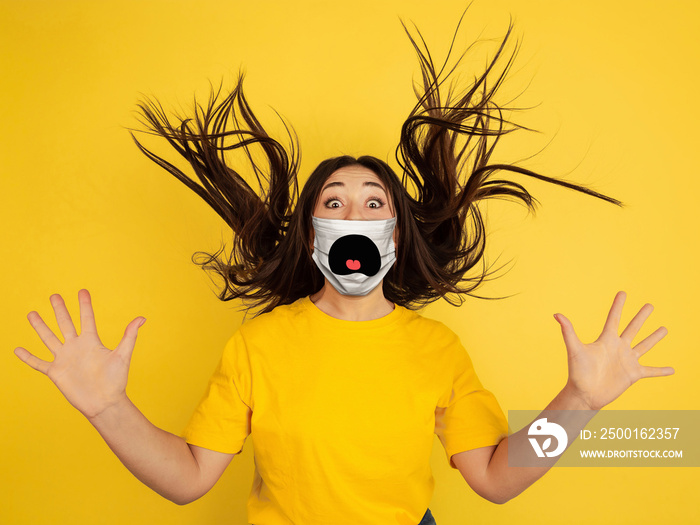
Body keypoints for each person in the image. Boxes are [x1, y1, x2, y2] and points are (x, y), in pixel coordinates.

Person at [14, 9, 673, 525]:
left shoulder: (437, 349)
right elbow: (188, 480)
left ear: (394, 234)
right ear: (309, 239)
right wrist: (106, 407)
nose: (353, 217)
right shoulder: (259, 345)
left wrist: (580, 403)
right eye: (335, 203)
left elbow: (498, 480)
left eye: (372, 204)